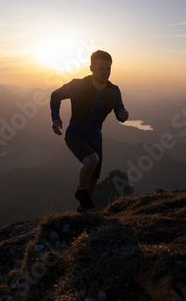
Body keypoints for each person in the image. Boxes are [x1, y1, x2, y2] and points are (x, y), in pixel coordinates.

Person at [50, 50, 129, 212]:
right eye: (102, 69)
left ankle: (84, 211)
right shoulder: (78, 86)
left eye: (109, 69)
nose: (106, 73)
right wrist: (55, 118)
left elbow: (119, 110)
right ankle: (80, 190)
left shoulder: (113, 91)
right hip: (75, 134)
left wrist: (123, 115)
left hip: (96, 138)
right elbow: (55, 95)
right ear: (91, 68)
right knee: (92, 160)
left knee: (93, 180)